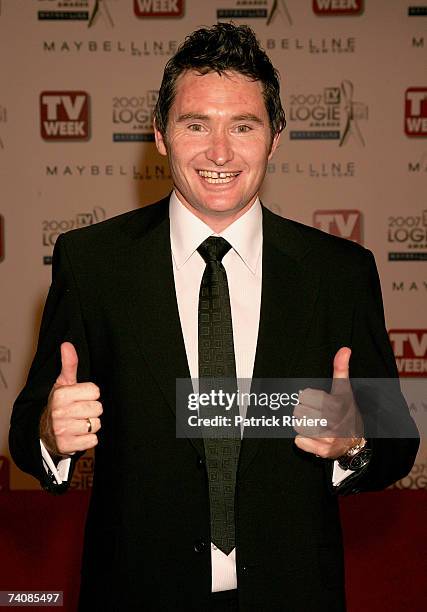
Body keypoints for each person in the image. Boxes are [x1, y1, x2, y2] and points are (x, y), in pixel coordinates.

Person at [9, 23, 418, 612]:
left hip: (293, 594)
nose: (220, 153)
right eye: (196, 124)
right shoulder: (93, 262)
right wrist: (50, 432)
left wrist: (355, 440)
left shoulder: (340, 272)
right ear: (160, 134)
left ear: (275, 138)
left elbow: (397, 442)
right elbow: (27, 430)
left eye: (243, 126)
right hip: (138, 593)